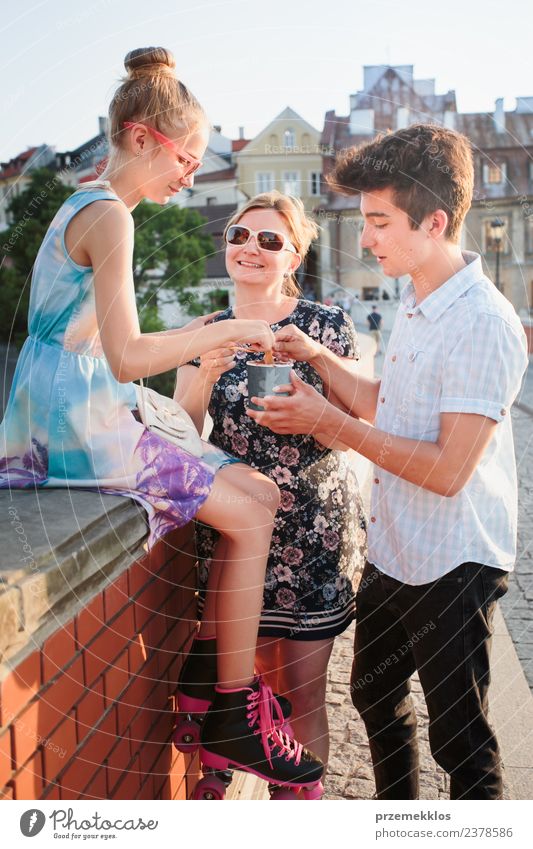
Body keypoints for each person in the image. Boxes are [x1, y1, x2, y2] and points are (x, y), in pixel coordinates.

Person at [0, 47, 323, 792]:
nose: (188, 172)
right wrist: (225, 333)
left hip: (67, 401)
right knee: (251, 513)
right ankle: (230, 710)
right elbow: (125, 355)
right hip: (75, 417)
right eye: (187, 156)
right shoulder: (110, 216)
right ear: (142, 137)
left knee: (260, 499)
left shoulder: (92, 202)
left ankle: (215, 677)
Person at [246, 123, 529, 799]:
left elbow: (445, 469)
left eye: (378, 221)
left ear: (432, 222)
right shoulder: (417, 296)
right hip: (396, 549)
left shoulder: (483, 323)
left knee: (458, 739)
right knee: (375, 701)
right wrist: (317, 360)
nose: (364, 237)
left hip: (454, 562)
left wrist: (327, 422)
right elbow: (387, 402)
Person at [175, 192, 367, 766]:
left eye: (269, 240)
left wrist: (307, 407)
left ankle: (300, 810)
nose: (250, 249)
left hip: (313, 535)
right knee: (246, 695)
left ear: (294, 256)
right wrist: (203, 376)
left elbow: (346, 432)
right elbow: (183, 436)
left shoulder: (325, 325)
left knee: (303, 694)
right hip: (237, 542)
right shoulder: (206, 329)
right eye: (239, 235)